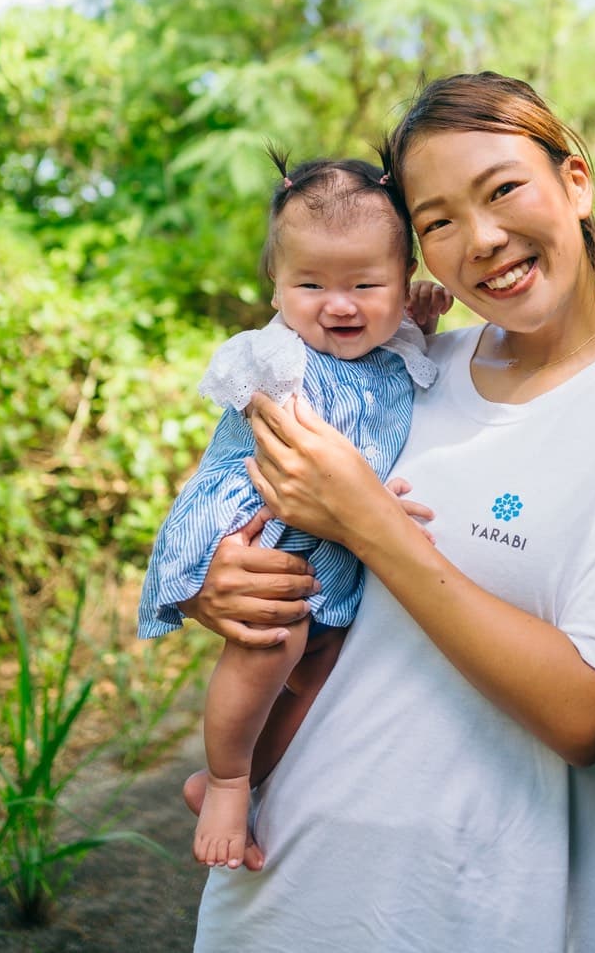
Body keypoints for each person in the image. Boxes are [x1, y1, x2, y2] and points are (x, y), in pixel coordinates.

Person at [174, 72, 595, 953]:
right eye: (436, 219)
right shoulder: (406, 368)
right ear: (417, 252)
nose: (480, 238)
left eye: (504, 188)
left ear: (575, 181)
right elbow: (251, 496)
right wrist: (226, 577)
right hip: (287, 888)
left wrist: (370, 521)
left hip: (498, 911)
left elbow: (585, 716)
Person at [137, 154, 440, 870]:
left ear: (403, 284)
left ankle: (243, 772)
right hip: (265, 520)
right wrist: (364, 490)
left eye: (367, 285)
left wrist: (415, 319)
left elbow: (397, 348)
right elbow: (292, 449)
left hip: (335, 530)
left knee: (327, 661)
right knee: (273, 637)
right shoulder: (275, 356)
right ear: (274, 285)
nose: (338, 305)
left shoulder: (393, 342)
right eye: (310, 285)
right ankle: (226, 780)